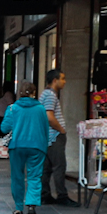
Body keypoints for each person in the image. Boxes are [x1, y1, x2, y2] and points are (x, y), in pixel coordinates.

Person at [0, 81, 52, 214]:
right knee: (34, 176)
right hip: (37, 146)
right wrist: (45, 145)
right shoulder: (41, 109)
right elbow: (45, 128)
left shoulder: (12, 108)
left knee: (17, 176)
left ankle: (18, 207)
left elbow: (4, 128)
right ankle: (31, 204)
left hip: (16, 146)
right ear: (34, 93)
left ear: (19, 93)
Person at [44, 70, 75, 204]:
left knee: (47, 167)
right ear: (55, 80)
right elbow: (49, 116)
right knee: (59, 166)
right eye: (62, 79)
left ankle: (44, 195)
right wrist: (61, 129)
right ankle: (62, 195)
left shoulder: (45, 94)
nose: (65, 81)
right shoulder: (50, 96)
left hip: (48, 136)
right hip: (54, 135)